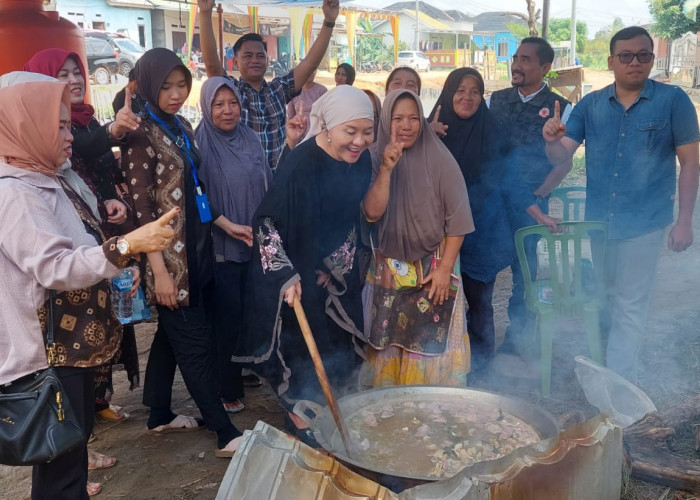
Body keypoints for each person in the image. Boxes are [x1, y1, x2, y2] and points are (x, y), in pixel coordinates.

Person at [0, 79, 175, 500]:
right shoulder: (16, 192)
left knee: (70, 461)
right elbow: (54, 267)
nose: (68, 137)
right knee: (60, 473)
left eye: (67, 126)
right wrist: (128, 245)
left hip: (73, 348)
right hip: (49, 356)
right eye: (58, 127)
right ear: (25, 126)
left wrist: (117, 266)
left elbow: (79, 244)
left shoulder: (49, 176)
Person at [543, 26, 700, 382]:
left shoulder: (673, 101)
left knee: (629, 305)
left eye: (644, 55)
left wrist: (685, 220)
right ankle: (608, 369)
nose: (635, 63)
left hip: (645, 222)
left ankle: (616, 389)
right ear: (612, 61)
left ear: (652, 58)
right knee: (605, 298)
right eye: (626, 56)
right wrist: (551, 140)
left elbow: (690, 163)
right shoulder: (591, 105)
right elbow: (561, 157)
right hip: (600, 223)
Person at [235, 85, 374, 443]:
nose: (359, 141)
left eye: (367, 131)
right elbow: (266, 222)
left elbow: (350, 222)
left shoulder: (363, 162)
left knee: (336, 342)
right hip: (288, 270)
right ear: (327, 126)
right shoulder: (302, 163)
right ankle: (300, 420)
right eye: (350, 132)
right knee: (298, 349)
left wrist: (334, 266)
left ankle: (334, 413)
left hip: (323, 267)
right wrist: (284, 274)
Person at [122, 48, 243, 457]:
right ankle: (224, 431)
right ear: (149, 86)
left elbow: (196, 190)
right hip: (170, 262)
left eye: (181, 85)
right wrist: (160, 273)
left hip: (197, 251)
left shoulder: (180, 125)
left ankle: (159, 413)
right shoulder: (139, 133)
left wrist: (222, 224)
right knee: (194, 344)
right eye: (166, 86)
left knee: (171, 337)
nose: (176, 94)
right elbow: (142, 210)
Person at [24, 49, 143, 423]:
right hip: (71, 246)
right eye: (62, 73)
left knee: (107, 318)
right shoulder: (33, 151)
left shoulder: (86, 120)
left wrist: (111, 200)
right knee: (74, 337)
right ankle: (76, 432)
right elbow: (84, 150)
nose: (74, 79)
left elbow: (102, 167)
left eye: (78, 71)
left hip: (100, 230)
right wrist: (112, 131)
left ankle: (97, 402)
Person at [428, 68, 559, 373]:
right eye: (460, 90)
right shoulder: (431, 130)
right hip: (436, 232)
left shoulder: (491, 131)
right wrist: (425, 135)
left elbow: (511, 179)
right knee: (438, 300)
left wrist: (538, 214)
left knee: (479, 301)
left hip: (480, 230)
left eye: (475, 91)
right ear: (448, 93)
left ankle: (480, 367)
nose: (467, 97)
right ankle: (440, 366)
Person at [361, 89, 474, 387]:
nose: (407, 125)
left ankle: (432, 412)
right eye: (398, 118)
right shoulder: (373, 157)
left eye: (414, 118)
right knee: (389, 343)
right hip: (388, 270)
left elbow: (459, 220)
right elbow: (371, 214)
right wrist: (386, 170)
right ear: (386, 121)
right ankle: (387, 415)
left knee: (430, 349)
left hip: (434, 268)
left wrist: (445, 269)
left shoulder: (439, 158)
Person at [486, 37, 572, 356]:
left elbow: (564, 161)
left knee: (524, 272)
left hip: (532, 204)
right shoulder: (497, 99)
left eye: (525, 60)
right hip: (493, 203)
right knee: (484, 269)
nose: (517, 65)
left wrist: (542, 192)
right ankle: (478, 333)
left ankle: (517, 339)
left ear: (545, 67)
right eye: (516, 58)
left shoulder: (559, 106)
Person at [195, 77, 271, 414]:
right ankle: (225, 388)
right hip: (221, 245)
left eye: (233, 103)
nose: (228, 111)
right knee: (225, 318)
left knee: (247, 312)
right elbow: (196, 196)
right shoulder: (200, 143)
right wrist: (224, 223)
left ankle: (240, 368)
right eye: (219, 104)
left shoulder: (251, 137)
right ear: (207, 108)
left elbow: (267, 178)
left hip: (252, 241)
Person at [198, 0, 340, 172]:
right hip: (246, 181)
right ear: (235, 62)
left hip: (279, 177)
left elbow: (310, 64)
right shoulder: (231, 91)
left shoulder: (279, 89)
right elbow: (212, 66)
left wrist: (329, 22)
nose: (255, 60)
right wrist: (205, 14)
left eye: (260, 55)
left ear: (267, 60)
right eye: (248, 56)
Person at [287, 69, 327, 138]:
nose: (310, 73)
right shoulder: (293, 92)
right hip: (298, 137)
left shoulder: (322, 91)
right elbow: (291, 117)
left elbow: (326, 117)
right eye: (307, 70)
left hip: (317, 138)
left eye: (313, 71)